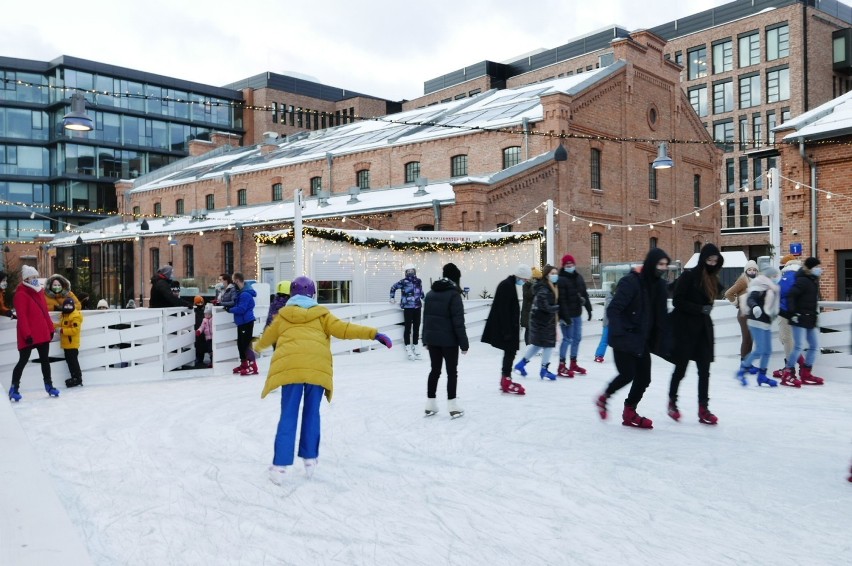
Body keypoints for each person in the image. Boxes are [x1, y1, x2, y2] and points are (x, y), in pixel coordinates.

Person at [254, 275, 392, 483]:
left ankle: (279, 467)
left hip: (290, 370)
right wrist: (374, 334)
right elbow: (346, 329)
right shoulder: (322, 315)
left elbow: (266, 338)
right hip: (316, 370)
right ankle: (310, 459)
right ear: (313, 294)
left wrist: (253, 348)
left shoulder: (283, 316)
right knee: (311, 413)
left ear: (291, 294)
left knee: (289, 415)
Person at [595, 248, 671, 429]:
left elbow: (661, 315)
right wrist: (622, 332)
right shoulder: (631, 282)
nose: (663, 268)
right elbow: (613, 310)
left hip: (641, 340)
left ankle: (629, 411)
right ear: (651, 263)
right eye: (660, 264)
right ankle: (604, 398)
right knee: (627, 374)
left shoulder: (658, 286)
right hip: (624, 338)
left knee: (644, 378)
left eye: (666, 265)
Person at [667, 243, 724, 425]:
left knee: (704, 371)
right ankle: (672, 402)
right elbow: (677, 301)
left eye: (715, 261)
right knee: (681, 369)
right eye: (709, 260)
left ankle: (703, 408)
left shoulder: (713, 279)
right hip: (685, 330)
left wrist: (705, 310)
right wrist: (699, 308)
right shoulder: (689, 276)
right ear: (702, 259)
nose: (712, 264)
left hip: (703, 331)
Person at [422, 262, 469, 418]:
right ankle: (452, 405)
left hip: (433, 340)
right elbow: (458, 321)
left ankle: (430, 403)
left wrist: (425, 339)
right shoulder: (454, 294)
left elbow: (426, 319)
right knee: (451, 373)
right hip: (449, 341)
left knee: (435, 370)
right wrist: (464, 343)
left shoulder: (430, 294)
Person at [8, 265, 59, 402]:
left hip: (42, 332)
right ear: (26, 279)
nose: (36, 279)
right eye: (33, 277)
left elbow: (45, 313)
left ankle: (49, 385)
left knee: (45, 361)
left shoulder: (39, 292)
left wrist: (50, 329)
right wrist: (27, 335)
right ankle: (14, 387)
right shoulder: (20, 294)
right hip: (29, 335)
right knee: (23, 361)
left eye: (37, 277)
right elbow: (22, 317)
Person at [481, 264, 532, 395]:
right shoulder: (506, 286)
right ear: (520, 276)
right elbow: (503, 310)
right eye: (525, 279)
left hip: (509, 327)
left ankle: (505, 378)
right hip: (506, 328)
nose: (525, 282)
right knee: (510, 352)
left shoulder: (509, 284)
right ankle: (506, 379)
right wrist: (507, 331)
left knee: (510, 352)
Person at [513, 265, 561, 381]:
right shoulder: (543, 288)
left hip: (544, 321)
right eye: (552, 273)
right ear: (546, 275)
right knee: (548, 344)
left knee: (538, 345)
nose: (555, 275)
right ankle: (543, 370)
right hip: (542, 321)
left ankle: (521, 364)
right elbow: (544, 305)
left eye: (556, 273)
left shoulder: (551, 286)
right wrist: (558, 308)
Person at [735, 265, 781, 387]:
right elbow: (751, 299)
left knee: (767, 351)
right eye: (774, 276)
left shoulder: (772, 289)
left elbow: (775, 307)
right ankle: (742, 370)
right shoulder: (759, 285)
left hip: (765, 322)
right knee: (760, 350)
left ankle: (762, 376)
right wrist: (755, 307)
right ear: (769, 276)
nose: (776, 278)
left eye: (776, 276)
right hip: (755, 321)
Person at [782, 257, 825, 386]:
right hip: (799, 317)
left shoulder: (813, 281)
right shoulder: (802, 281)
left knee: (814, 346)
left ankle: (806, 372)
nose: (819, 269)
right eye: (817, 267)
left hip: (810, 318)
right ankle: (787, 372)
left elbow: (811, 302)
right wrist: (793, 313)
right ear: (810, 268)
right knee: (799, 346)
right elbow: (790, 295)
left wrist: (815, 315)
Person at [556, 254, 592, 378]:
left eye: (571, 264)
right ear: (564, 266)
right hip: (567, 315)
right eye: (567, 264)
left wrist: (589, 308)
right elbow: (562, 300)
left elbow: (584, 294)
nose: (570, 266)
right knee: (567, 339)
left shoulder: (579, 277)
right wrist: (565, 317)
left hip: (577, 314)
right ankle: (561, 364)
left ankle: (573, 362)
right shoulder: (561, 279)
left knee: (577, 338)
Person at [772, 257, 804, 382]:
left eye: (781, 264)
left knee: (786, 339)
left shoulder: (789, 275)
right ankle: (800, 364)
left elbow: (780, 291)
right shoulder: (800, 274)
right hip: (796, 312)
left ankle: (790, 369)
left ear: (786, 264)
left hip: (786, 311)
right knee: (787, 339)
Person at [725, 260, 759, 365]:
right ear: (746, 270)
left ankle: (747, 363)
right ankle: (743, 364)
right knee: (746, 338)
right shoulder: (743, 280)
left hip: (752, 314)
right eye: (749, 269)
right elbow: (728, 293)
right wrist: (736, 303)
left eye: (754, 270)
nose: (752, 271)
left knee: (751, 338)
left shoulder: (757, 281)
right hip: (744, 314)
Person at [389, 264, 424, 361]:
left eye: (412, 271)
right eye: (408, 271)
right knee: (408, 327)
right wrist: (392, 297)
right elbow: (393, 287)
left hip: (417, 306)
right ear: (405, 272)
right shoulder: (403, 282)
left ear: (415, 271)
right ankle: (408, 347)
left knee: (416, 327)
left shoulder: (418, 281)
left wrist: (424, 299)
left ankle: (415, 345)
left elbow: (420, 291)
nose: (410, 273)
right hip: (408, 307)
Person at [229, 272, 258, 376]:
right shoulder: (240, 293)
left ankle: (253, 366)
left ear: (237, 280)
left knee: (245, 345)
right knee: (240, 344)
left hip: (246, 322)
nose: (232, 283)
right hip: (241, 322)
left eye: (233, 281)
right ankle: (244, 364)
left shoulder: (245, 294)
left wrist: (229, 309)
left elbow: (241, 309)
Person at [57, 297, 84, 388]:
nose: (68, 307)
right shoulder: (64, 315)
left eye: (70, 305)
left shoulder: (75, 315)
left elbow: (75, 330)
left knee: (73, 361)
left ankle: (78, 378)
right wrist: (51, 325)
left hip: (72, 344)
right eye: (66, 305)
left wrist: (62, 331)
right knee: (69, 361)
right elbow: (61, 325)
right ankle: (74, 377)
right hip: (66, 344)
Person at [594, 281, 617, 363]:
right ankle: (599, 355)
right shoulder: (609, 297)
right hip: (608, 323)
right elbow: (610, 307)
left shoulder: (615, 297)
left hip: (616, 323)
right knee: (605, 339)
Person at [520, 266, 541, 346]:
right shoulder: (526, 285)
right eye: (536, 278)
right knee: (529, 330)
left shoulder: (538, 285)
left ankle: (535, 346)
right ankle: (528, 346)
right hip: (528, 312)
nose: (537, 281)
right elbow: (527, 295)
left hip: (536, 312)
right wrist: (533, 286)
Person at [196, 303, 214, 368]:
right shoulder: (204, 320)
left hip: (213, 337)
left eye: (208, 314)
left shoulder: (213, 319)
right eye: (205, 314)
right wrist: (199, 331)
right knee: (209, 350)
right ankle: (212, 361)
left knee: (213, 350)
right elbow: (202, 327)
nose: (207, 315)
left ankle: (213, 362)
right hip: (208, 338)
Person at [192, 296, 207, 368]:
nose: (200, 305)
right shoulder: (194, 311)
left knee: (202, 345)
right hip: (197, 331)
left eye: (201, 303)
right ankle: (198, 359)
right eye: (198, 303)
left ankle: (200, 359)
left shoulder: (203, 311)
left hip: (202, 331)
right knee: (198, 345)